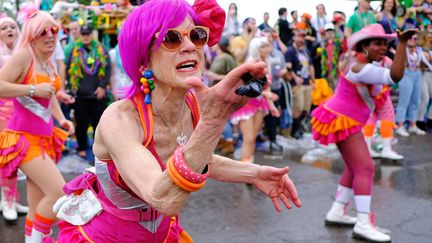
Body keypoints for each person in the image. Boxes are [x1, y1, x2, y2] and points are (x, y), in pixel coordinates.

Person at [54, 0, 302, 242]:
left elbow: (200, 158)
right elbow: (164, 198)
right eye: (171, 39)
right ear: (143, 61)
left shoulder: (191, 104)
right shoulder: (119, 119)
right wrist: (214, 120)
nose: (189, 47)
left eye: (196, 36)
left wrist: (255, 173)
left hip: (163, 235)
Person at [311, 24, 416, 242]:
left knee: (354, 167)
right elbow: (394, 76)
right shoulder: (359, 68)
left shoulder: (365, 62)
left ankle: (337, 211)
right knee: (365, 167)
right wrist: (403, 43)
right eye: (377, 43)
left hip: (345, 119)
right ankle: (363, 223)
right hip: (342, 120)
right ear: (364, 47)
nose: (383, 47)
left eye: (385, 44)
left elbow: (390, 70)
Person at [0, 7, 74, 242]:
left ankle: (32, 239)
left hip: (44, 138)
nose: (51, 35)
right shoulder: (24, 55)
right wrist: (33, 89)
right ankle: (39, 239)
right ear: (32, 34)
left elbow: (49, 94)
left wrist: (61, 118)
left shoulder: (47, 61)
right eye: (44, 31)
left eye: (54, 30)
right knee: (58, 193)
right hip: (23, 139)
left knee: (37, 200)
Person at [230, 37, 279, 163]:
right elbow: (247, 87)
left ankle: (249, 165)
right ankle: (245, 168)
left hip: (259, 104)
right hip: (246, 104)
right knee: (249, 138)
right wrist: (267, 95)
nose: (266, 49)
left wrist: (272, 105)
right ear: (256, 48)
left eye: (267, 46)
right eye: (263, 46)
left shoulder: (266, 63)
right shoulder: (251, 63)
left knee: (253, 137)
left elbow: (266, 87)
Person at [0, 15, 30, 223]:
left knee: (19, 156)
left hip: (22, 111)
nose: (10, 29)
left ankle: (12, 199)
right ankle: (7, 200)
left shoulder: (23, 53)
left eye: (13, 26)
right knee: (6, 156)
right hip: (2, 111)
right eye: (4, 28)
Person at [66, 25, 111, 160]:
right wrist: (72, 89)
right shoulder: (74, 51)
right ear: (81, 35)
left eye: (88, 34)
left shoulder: (101, 50)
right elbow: (69, 71)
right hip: (80, 95)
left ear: (92, 34)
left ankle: (99, 149)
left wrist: (102, 87)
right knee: (81, 123)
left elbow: (108, 69)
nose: (85, 36)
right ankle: (81, 148)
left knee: (99, 123)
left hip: (98, 94)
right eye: (83, 34)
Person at [395, 34, 427, 136]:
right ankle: (400, 125)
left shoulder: (419, 50)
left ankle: (412, 124)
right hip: (406, 73)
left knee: (416, 100)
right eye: (411, 38)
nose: (413, 40)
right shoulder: (402, 49)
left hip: (417, 74)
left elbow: (425, 61)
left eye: (415, 38)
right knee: (404, 101)